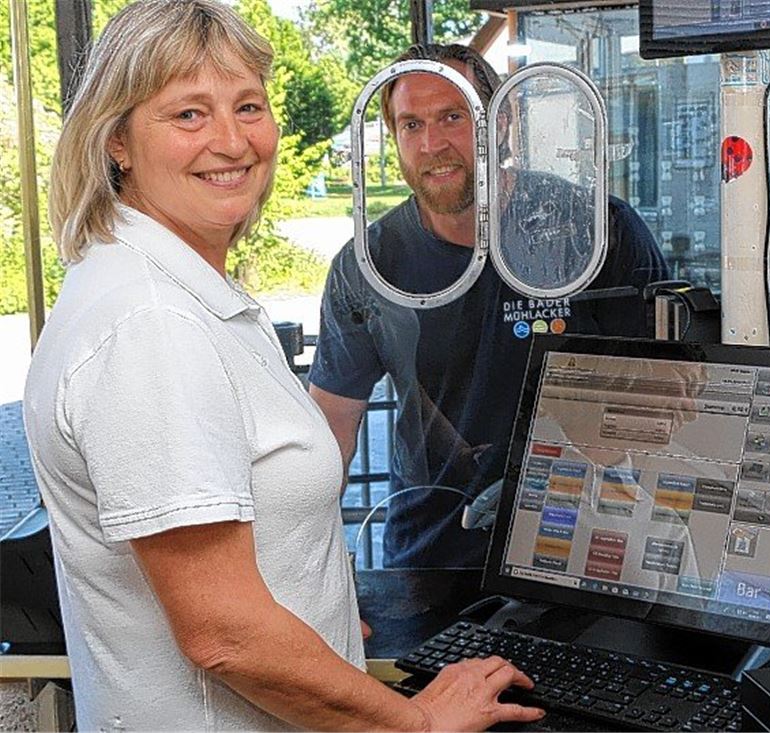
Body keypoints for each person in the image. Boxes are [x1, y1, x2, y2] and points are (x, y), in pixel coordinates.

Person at [23, 3, 542, 730]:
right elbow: (224, 632)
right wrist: (419, 722)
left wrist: (315, 615)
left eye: (247, 106)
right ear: (117, 141)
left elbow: (236, 544)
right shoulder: (152, 325)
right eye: (189, 115)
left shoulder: (175, 291)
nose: (231, 141)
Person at [309, 44, 669, 569]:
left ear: (503, 120)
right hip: (432, 557)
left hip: (588, 550)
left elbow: (668, 390)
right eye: (411, 125)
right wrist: (313, 579)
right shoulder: (367, 265)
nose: (433, 144)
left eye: (453, 117)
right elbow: (331, 429)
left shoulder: (595, 231)